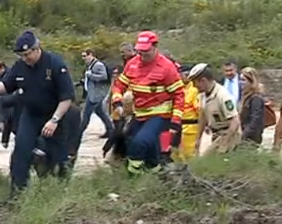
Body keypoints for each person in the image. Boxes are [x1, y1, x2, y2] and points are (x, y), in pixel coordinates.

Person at [0, 30, 75, 193]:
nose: (25, 58)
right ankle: (18, 193)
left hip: (54, 115)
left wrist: (54, 120)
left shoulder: (55, 64)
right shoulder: (20, 66)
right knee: (21, 150)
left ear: (37, 48)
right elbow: (5, 86)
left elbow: (67, 97)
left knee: (58, 155)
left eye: (28, 54)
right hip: (31, 115)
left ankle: (62, 190)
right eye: (22, 55)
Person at [110, 30, 183, 174]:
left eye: (146, 51)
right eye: (140, 51)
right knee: (130, 141)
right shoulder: (132, 64)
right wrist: (117, 102)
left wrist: (176, 121)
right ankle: (157, 172)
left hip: (160, 114)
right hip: (139, 113)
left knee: (140, 143)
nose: (142, 54)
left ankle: (133, 175)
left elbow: (179, 95)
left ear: (155, 47)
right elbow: (119, 86)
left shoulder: (167, 67)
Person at [188, 63, 241, 155]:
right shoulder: (202, 96)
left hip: (229, 133)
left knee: (208, 160)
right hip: (216, 133)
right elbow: (202, 117)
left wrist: (225, 142)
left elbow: (235, 121)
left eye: (195, 82)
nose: (194, 86)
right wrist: (198, 139)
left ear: (203, 81)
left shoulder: (222, 95)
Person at [32, 102, 82, 178]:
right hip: (66, 150)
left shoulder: (45, 107)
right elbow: (76, 135)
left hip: (49, 150)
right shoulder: (75, 110)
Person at [78, 49, 114, 139]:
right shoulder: (91, 65)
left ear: (91, 55)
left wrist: (90, 75)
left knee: (86, 115)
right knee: (100, 112)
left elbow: (103, 76)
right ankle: (110, 130)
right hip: (93, 93)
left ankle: (78, 134)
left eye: (85, 56)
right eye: (82, 56)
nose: (83, 58)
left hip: (95, 95)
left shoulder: (98, 65)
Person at [177, 64, 201, 160]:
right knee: (177, 155)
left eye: (188, 75)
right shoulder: (177, 88)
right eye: (184, 74)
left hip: (191, 128)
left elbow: (199, 110)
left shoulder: (194, 90)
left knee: (190, 155)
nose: (186, 77)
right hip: (177, 127)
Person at [239, 67, 267, 146]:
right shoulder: (245, 96)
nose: (240, 83)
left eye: (243, 80)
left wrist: (244, 135)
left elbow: (255, 119)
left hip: (251, 137)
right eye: (240, 80)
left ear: (251, 82)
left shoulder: (256, 98)